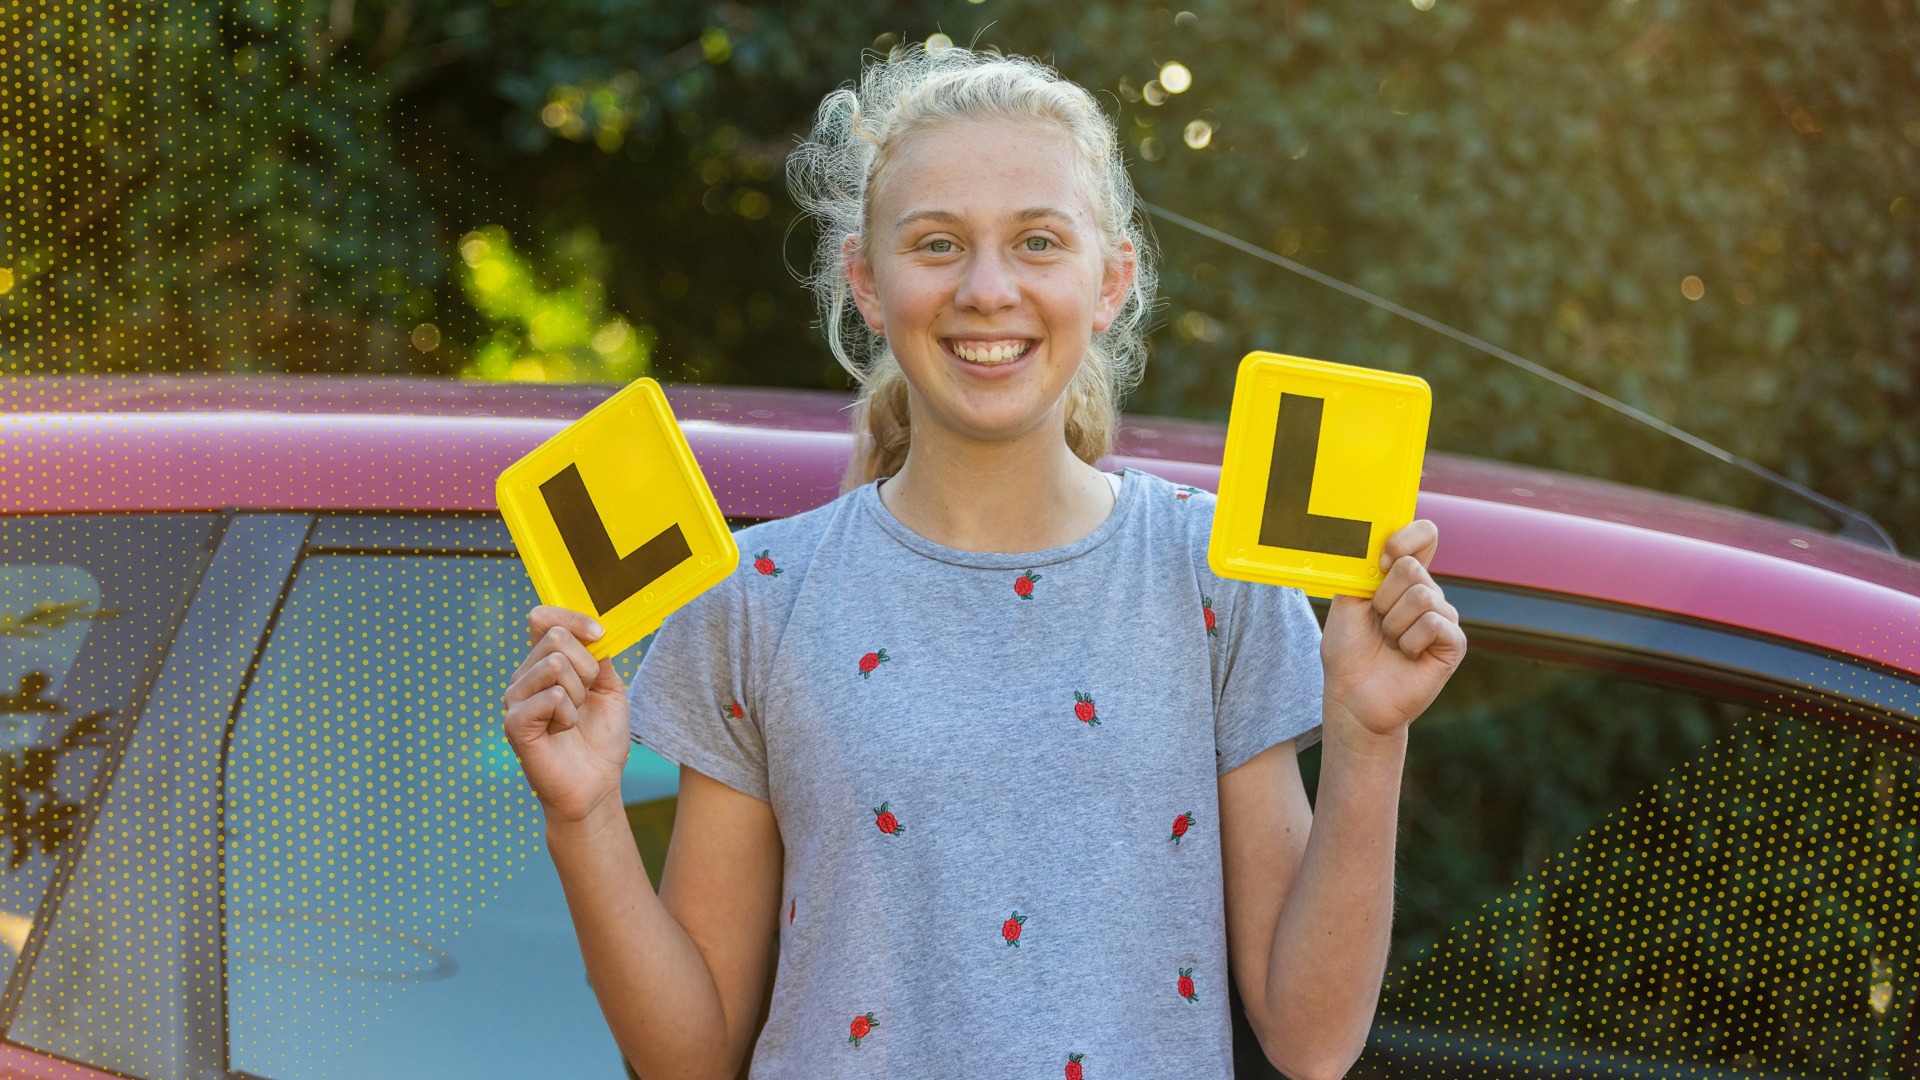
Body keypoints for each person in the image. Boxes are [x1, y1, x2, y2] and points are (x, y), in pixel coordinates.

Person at [501, 43, 1466, 1080]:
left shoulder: (1216, 574)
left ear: (1111, 281)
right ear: (866, 283)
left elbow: (1311, 1041)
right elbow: (688, 1059)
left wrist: (1370, 737)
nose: (988, 289)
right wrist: (585, 816)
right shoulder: (753, 598)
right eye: (938, 244)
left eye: (1038, 241)